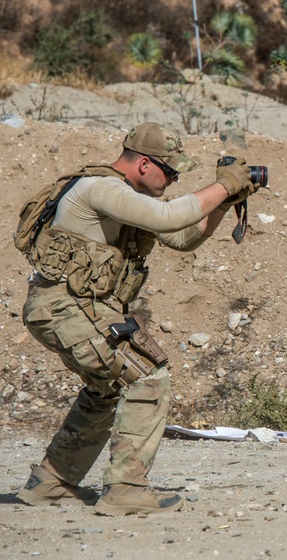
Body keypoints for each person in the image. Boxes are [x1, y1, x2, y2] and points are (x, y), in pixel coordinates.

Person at [14, 122, 259, 515]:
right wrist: (225, 185)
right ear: (144, 164)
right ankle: (127, 490)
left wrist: (224, 203)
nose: (174, 179)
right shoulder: (101, 188)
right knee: (147, 375)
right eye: (171, 171)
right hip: (66, 307)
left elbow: (182, 237)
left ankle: (51, 483)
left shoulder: (124, 194)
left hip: (68, 309)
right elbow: (167, 217)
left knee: (107, 387)